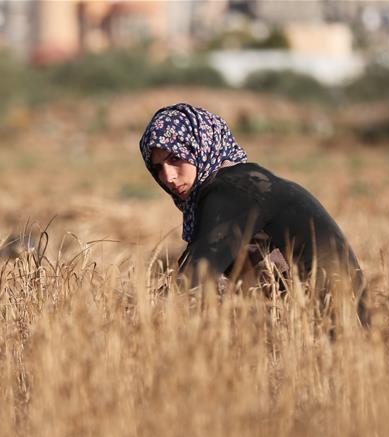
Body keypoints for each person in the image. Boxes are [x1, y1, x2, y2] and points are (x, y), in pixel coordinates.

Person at [139, 103, 367, 322]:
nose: (168, 177)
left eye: (176, 158)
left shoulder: (232, 190)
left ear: (200, 147)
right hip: (336, 318)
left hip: (332, 322)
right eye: (158, 168)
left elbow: (194, 277)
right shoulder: (242, 182)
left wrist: (139, 314)